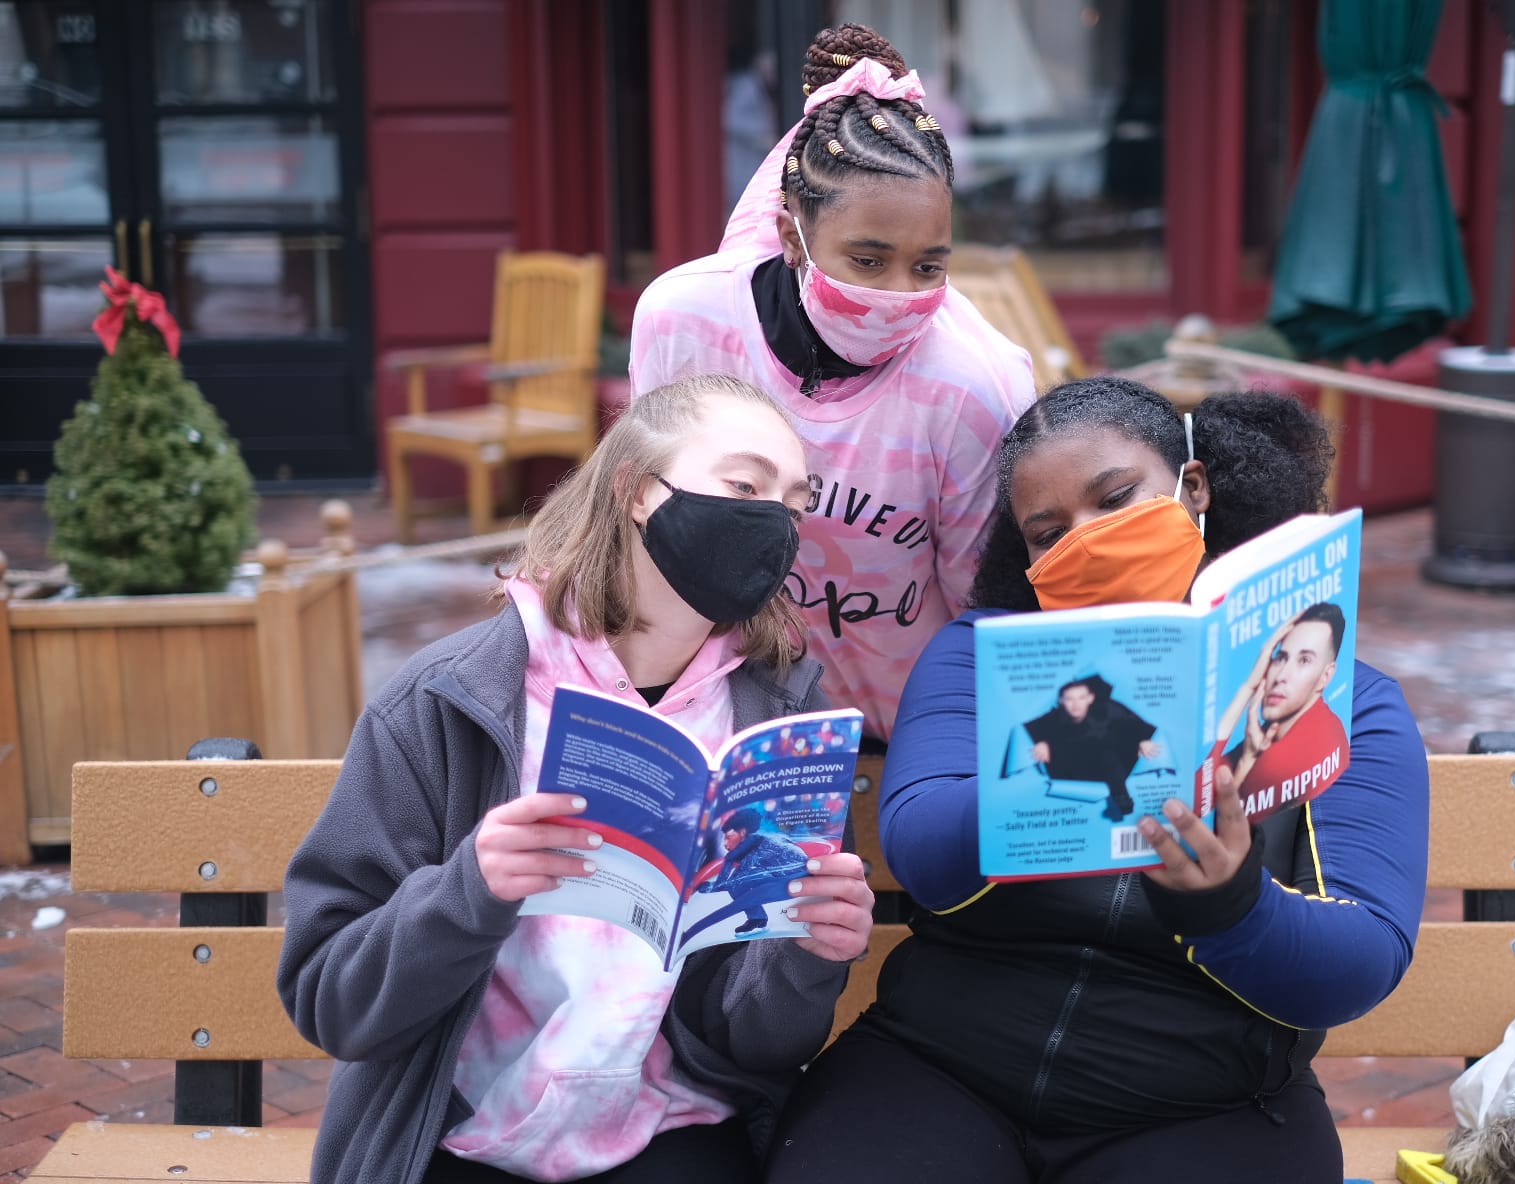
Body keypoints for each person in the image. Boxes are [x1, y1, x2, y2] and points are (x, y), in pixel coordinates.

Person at [765, 378, 1430, 1184]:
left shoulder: (1332, 695)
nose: (1085, 540)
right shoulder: (984, 654)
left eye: (1115, 499)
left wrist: (1227, 904)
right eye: (1048, 533)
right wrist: (1048, 768)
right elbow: (923, 849)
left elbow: (1360, 957)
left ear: (1193, 488)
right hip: (943, 1069)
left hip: (1208, 1104)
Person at [278, 375, 874, 1184]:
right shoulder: (447, 699)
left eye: (795, 504)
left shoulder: (777, 722)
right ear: (636, 492)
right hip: (456, 1125)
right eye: (743, 486)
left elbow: (754, 1044)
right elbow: (333, 1003)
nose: (773, 522)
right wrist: (470, 890)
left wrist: (809, 953)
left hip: (668, 1117)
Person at [629, 22, 1037, 743]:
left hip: (909, 736)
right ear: (792, 237)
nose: (900, 294)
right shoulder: (684, 324)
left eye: (929, 266)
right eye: (869, 261)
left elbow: (987, 608)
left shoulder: (975, 388)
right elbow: (637, 523)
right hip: (718, 719)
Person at [1215, 603, 1350, 808]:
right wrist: (1250, 685)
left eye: (1304, 660)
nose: (1281, 676)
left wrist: (1246, 763)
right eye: (1280, 657)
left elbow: (1200, 821)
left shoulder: (1292, 754)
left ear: (1326, 676)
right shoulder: (1269, 734)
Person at [1020, 675, 1161, 821]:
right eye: (1069, 699)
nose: (1076, 704)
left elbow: (1137, 725)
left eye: (1081, 698)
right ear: (1061, 701)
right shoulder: (1054, 716)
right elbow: (1029, 729)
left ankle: (1121, 797)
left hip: (1110, 766)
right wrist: (1042, 742)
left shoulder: (1108, 709)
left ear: (1090, 698)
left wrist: (1143, 740)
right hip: (1074, 770)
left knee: (1108, 753)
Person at [699, 807, 816, 935]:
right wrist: (716, 884)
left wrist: (714, 887)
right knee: (738, 885)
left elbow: (740, 876)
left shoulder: (763, 845)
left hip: (796, 876)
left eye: (728, 837)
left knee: (739, 882)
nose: (725, 844)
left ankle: (756, 918)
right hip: (778, 874)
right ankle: (757, 919)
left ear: (742, 833)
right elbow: (730, 873)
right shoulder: (750, 845)